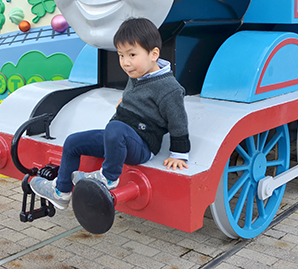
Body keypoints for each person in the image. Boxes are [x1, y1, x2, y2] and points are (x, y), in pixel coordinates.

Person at [30, 17, 191, 209]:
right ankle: (61, 192)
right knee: (73, 141)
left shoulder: (169, 88)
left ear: (154, 54)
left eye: (132, 55)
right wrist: (126, 102)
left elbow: (178, 121)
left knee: (116, 128)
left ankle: (108, 178)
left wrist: (179, 154)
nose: (125, 62)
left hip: (141, 146)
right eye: (121, 55)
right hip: (118, 138)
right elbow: (138, 97)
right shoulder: (139, 73)